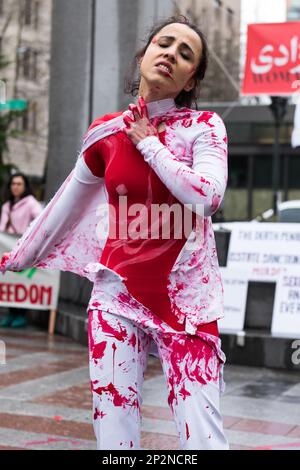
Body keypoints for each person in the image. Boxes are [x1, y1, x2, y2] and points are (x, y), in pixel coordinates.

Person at [0, 15, 229, 449]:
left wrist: (149, 143)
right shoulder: (105, 132)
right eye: (165, 44)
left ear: (189, 80)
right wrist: (14, 259)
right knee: (114, 438)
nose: (171, 55)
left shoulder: (204, 128)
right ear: (144, 55)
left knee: (203, 439)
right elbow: (61, 208)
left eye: (185, 54)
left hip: (188, 306)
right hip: (115, 297)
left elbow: (206, 197)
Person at [0, 172, 42, 328]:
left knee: (22, 281)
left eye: (19, 184)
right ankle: (11, 313)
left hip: (22, 250)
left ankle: (21, 315)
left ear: (25, 187)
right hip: (7, 248)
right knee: (10, 281)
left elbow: (40, 219)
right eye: (13, 184)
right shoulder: (6, 206)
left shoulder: (31, 203)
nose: (15, 187)